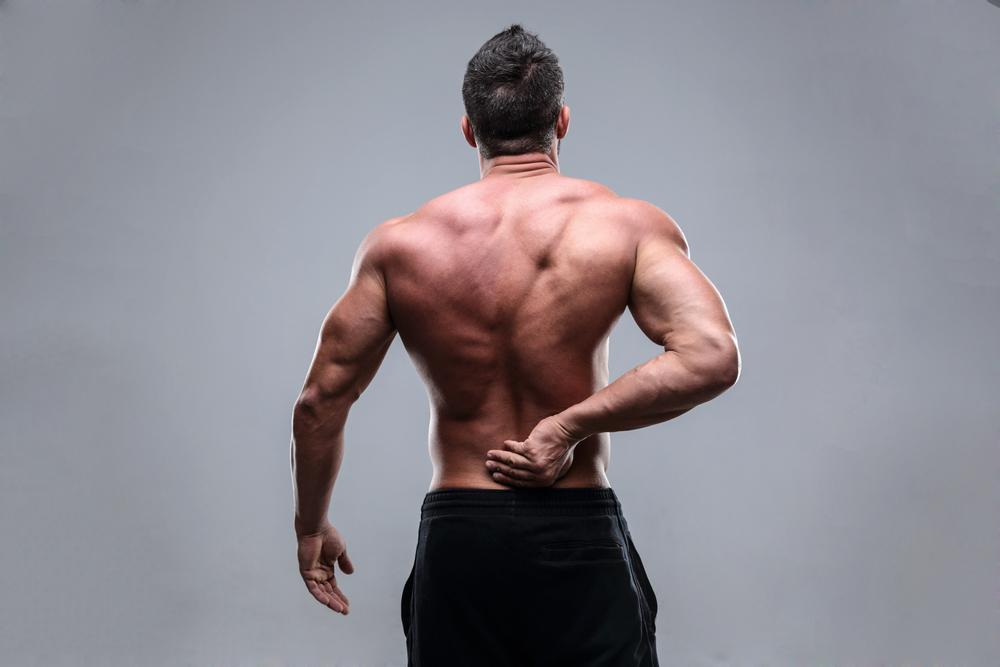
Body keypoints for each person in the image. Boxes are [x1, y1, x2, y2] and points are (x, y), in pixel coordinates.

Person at [291, 24, 739, 667]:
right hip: (575, 524)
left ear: (470, 130)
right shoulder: (625, 226)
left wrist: (312, 526)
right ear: (561, 120)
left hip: (460, 536)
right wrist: (567, 428)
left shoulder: (400, 245)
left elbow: (318, 402)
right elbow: (711, 356)